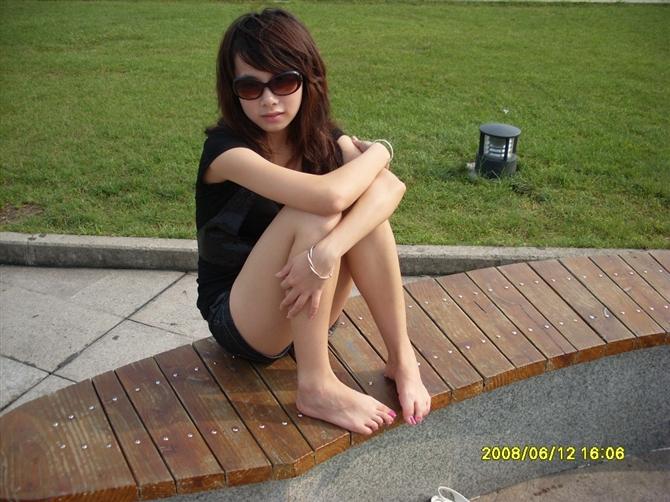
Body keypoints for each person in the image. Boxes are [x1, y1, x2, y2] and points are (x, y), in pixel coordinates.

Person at [195, 8, 430, 435]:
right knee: (317, 212)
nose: (269, 100)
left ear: (308, 79)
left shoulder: (320, 137)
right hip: (242, 319)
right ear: (233, 91)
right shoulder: (226, 153)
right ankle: (316, 385)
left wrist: (325, 254)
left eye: (283, 82)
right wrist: (382, 151)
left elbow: (389, 189)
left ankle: (401, 359)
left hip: (312, 302)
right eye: (251, 87)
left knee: (367, 218)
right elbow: (331, 196)